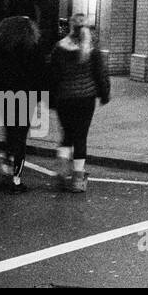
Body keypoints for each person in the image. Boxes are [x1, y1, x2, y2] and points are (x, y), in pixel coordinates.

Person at [0, 0, 45, 193]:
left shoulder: (2, 41)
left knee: (10, 135)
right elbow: (40, 72)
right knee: (20, 138)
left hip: (4, 96)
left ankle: (6, 171)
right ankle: (15, 179)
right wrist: (42, 95)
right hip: (25, 96)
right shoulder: (32, 42)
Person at [50, 13, 110, 192]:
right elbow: (101, 74)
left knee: (67, 135)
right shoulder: (91, 49)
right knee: (81, 137)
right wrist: (104, 94)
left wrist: (51, 98)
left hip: (64, 99)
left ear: (70, 27)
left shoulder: (59, 47)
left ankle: (61, 171)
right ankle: (77, 179)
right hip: (86, 99)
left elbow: (52, 76)